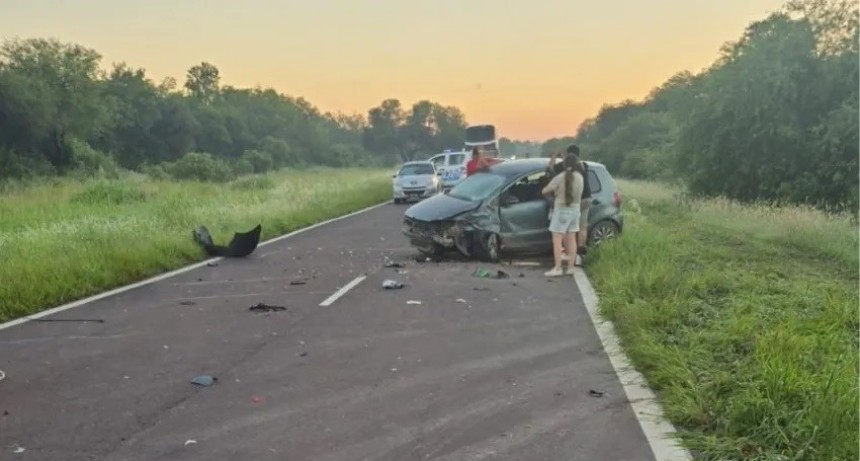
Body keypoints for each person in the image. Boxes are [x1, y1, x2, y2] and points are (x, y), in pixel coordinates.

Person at [541, 152, 584, 277]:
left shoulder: (560, 177)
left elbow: (545, 190)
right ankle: (571, 267)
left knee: (557, 240)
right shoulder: (580, 177)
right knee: (572, 239)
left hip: (561, 210)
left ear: (565, 164)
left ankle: (558, 268)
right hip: (575, 210)